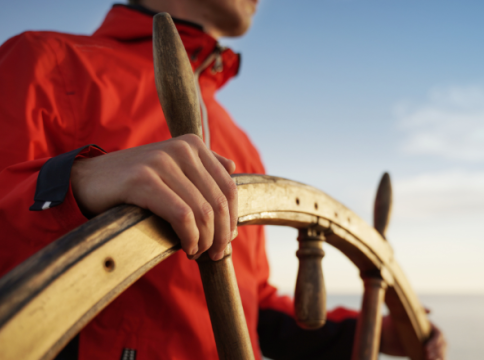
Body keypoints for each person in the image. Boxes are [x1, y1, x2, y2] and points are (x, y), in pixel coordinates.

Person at [0, 0, 447, 359]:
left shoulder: (239, 141)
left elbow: (250, 306)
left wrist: (371, 334)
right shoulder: (43, 59)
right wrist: (79, 180)